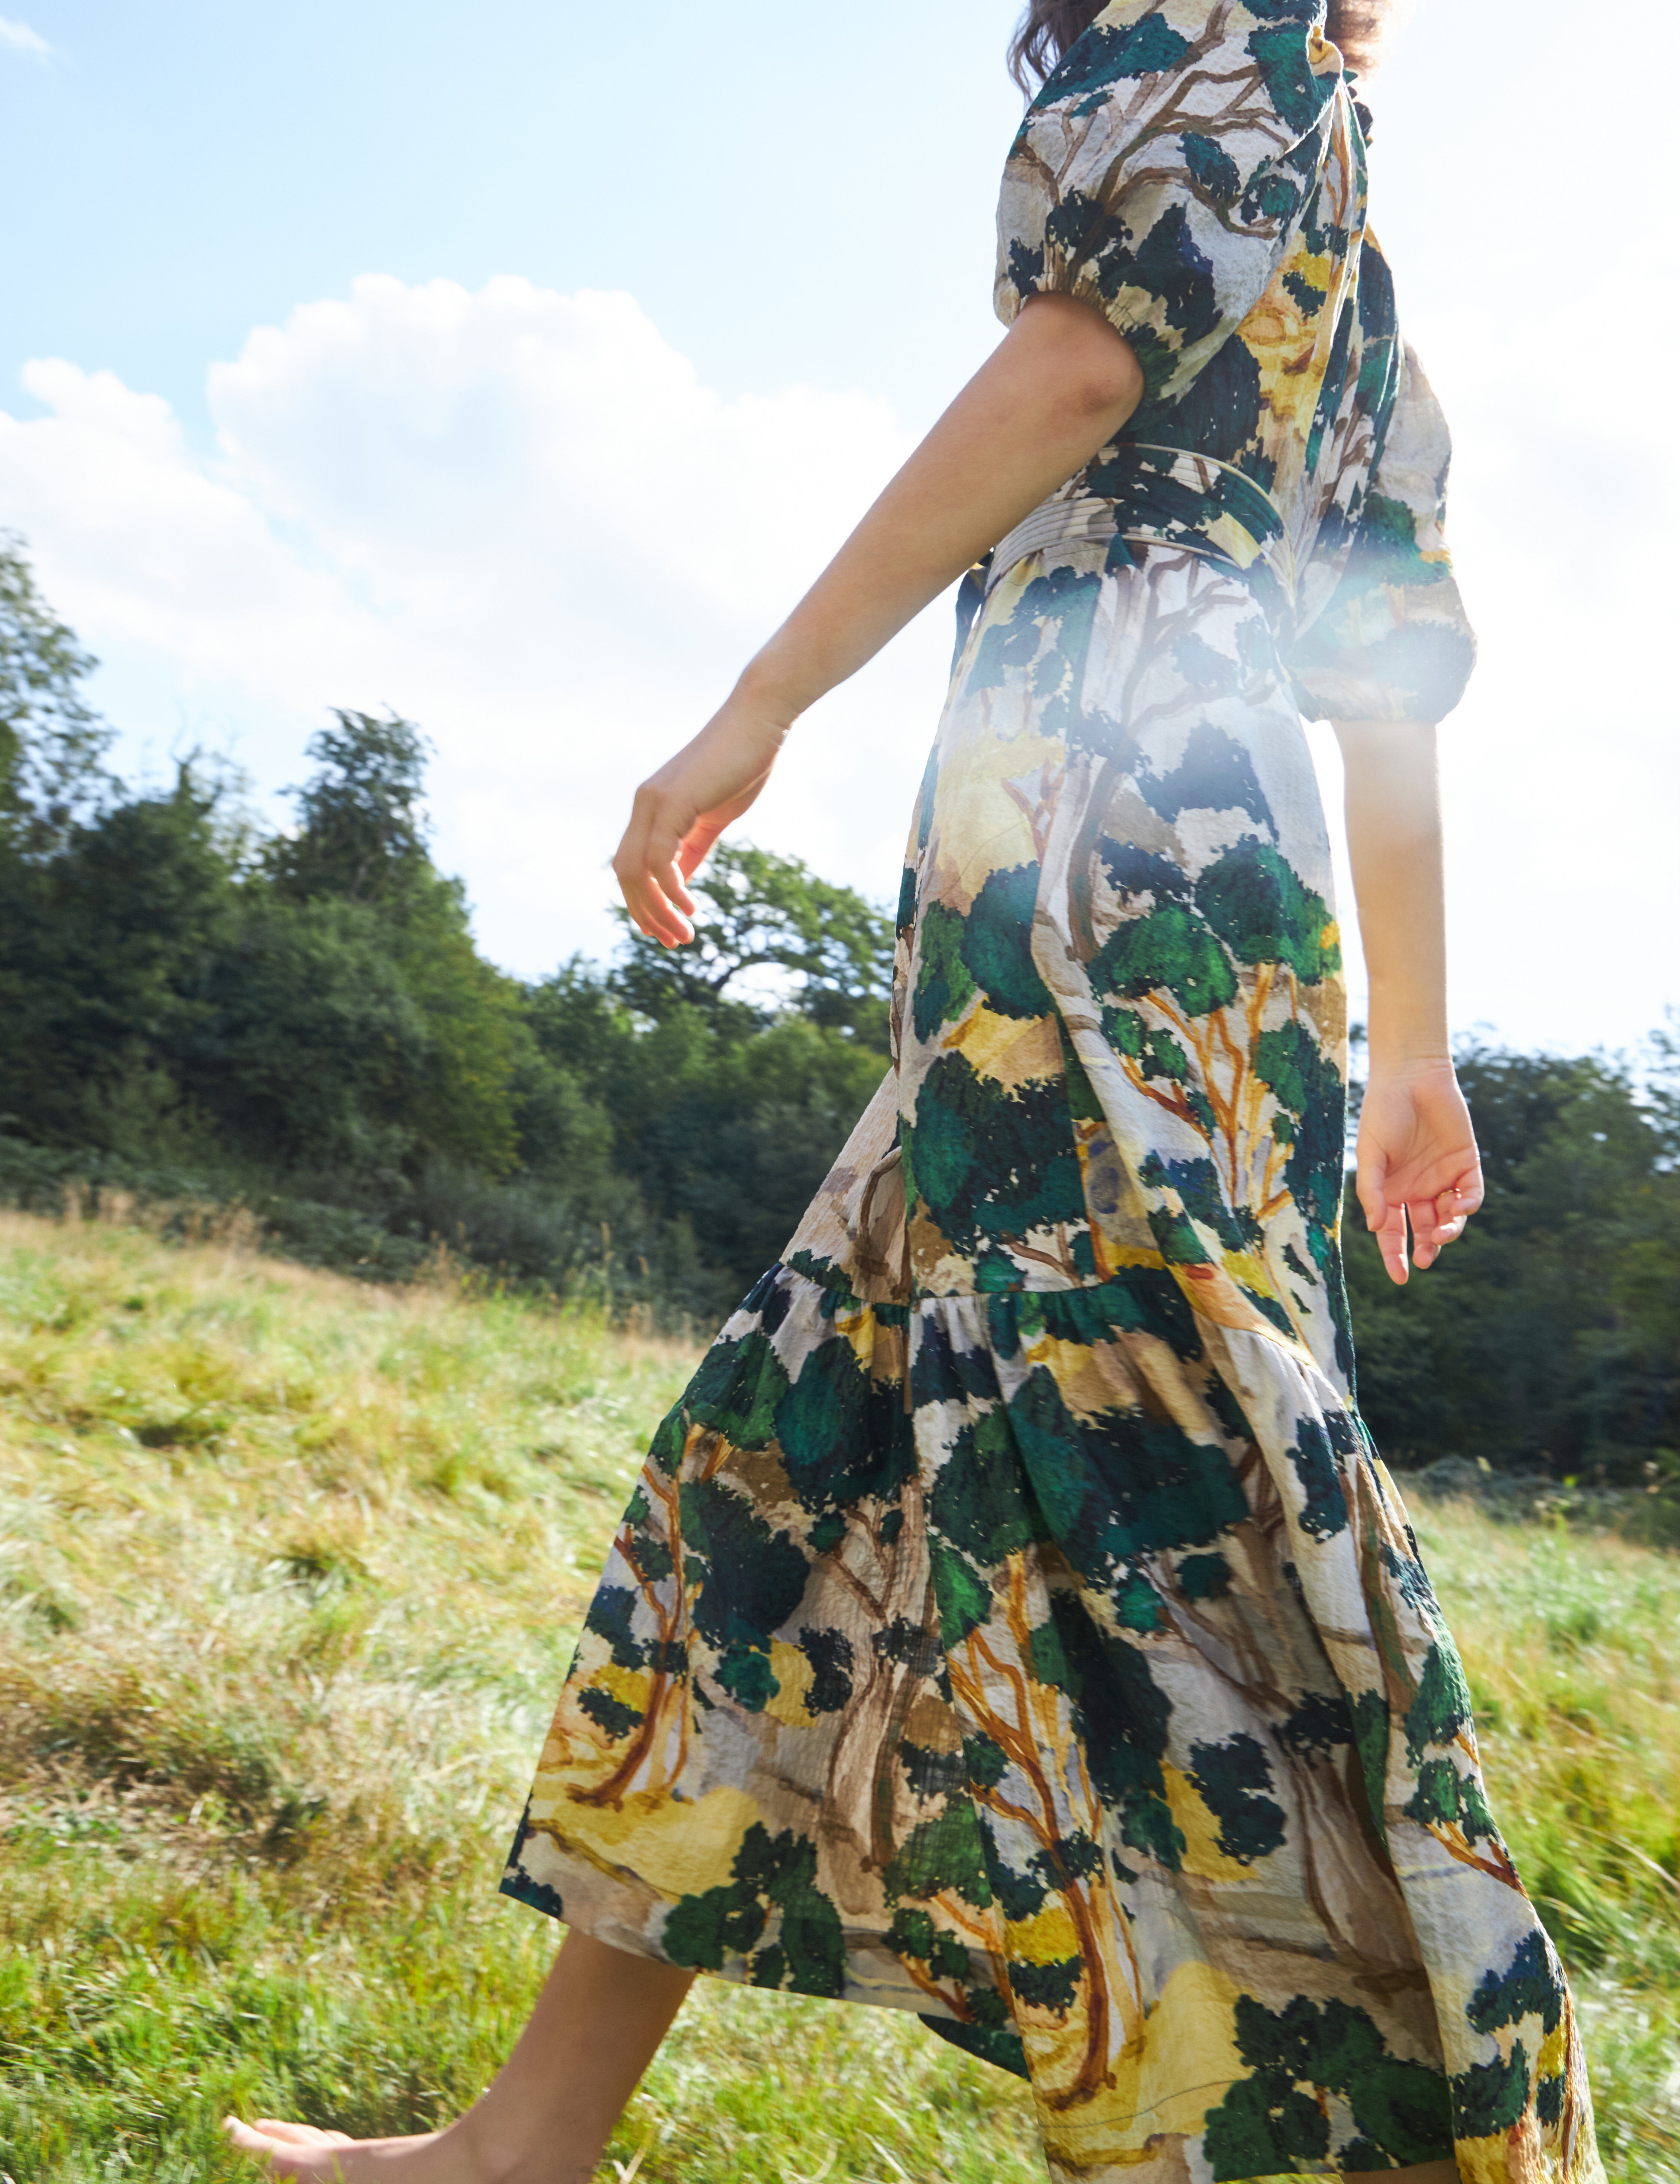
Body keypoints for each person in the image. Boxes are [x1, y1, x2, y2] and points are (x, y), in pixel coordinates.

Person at [228, 0, 1605, 2178]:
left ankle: (1404, 2129)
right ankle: (523, 2144)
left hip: (1080, 840)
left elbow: (1069, 376)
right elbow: (1387, 679)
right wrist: (1413, 1053)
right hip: (1220, 896)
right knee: (809, 1445)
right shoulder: (1356, 240)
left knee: (1150, 1498)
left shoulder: (1190, 57)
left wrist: (755, 701)